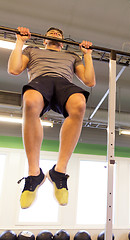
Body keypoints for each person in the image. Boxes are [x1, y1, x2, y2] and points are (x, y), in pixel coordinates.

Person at [8, 26, 96, 209]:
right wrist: (20, 42)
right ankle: (34, 174)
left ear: (63, 43)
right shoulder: (32, 50)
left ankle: (59, 171)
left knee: (79, 103)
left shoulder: (72, 56)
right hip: (41, 80)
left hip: (64, 83)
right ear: (44, 40)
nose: (56, 35)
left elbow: (89, 81)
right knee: (30, 101)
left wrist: (87, 55)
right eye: (51, 34)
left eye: (59, 34)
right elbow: (14, 69)